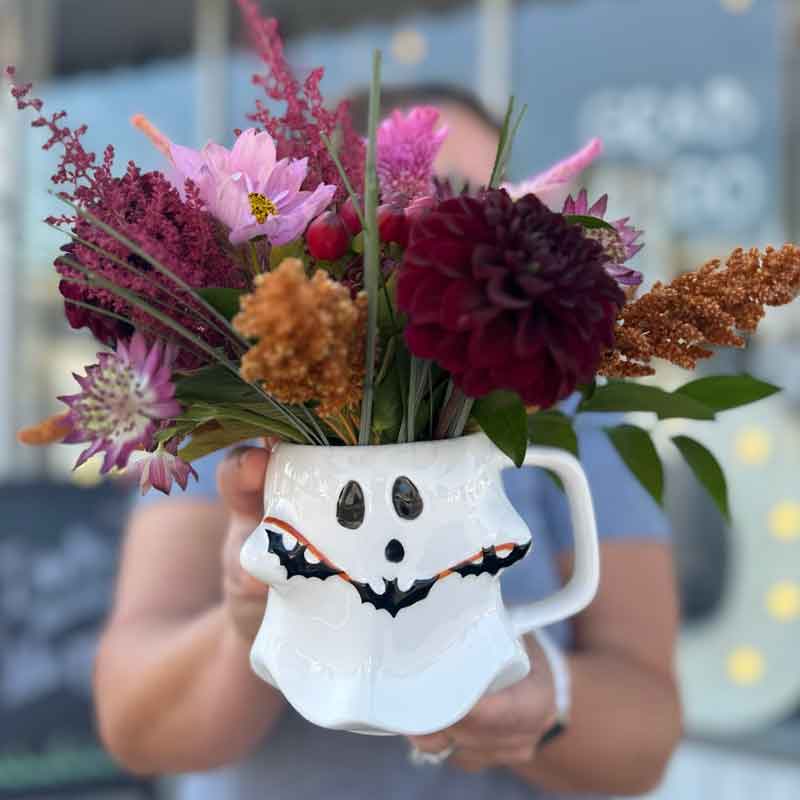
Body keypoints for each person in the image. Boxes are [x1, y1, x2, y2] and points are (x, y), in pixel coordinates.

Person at [93, 84, 682, 799]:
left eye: (469, 209)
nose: (428, 244)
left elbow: (645, 742)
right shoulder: (244, 406)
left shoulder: (573, 407)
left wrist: (543, 697)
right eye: (394, 212)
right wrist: (245, 620)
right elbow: (136, 728)